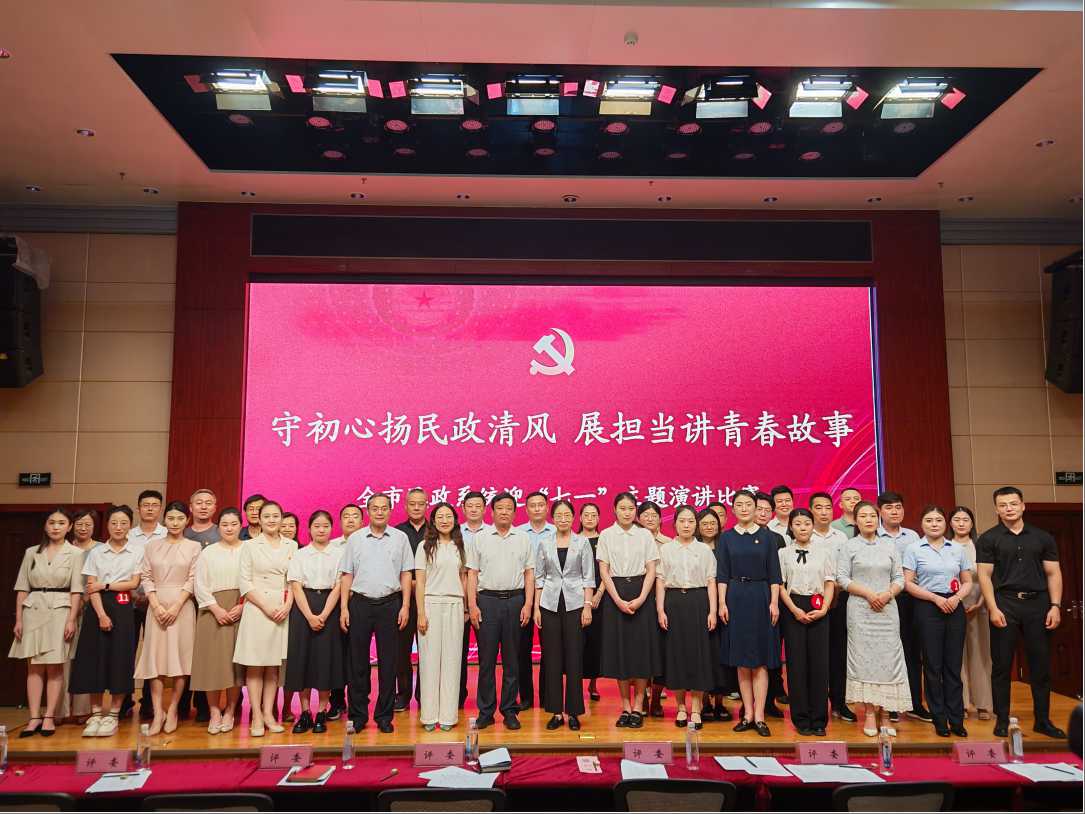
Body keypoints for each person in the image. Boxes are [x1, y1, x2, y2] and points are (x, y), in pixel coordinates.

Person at [976, 486, 1066, 739]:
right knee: (1002, 666)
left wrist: (1055, 606)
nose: (1009, 509)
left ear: (1023, 506)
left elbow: (1053, 573)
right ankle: (1002, 720)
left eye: (1013, 504)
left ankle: (1043, 721)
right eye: (1003, 505)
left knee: (1040, 666)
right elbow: (984, 576)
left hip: (1038, 605)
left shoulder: (1042, 537)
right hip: (1005, 604)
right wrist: (992, 608)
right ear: (996, 509)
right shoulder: (988, 539)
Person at [339, 493, 413, 734]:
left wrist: (405, 606)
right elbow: (347, 575)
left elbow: (406, 574)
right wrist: (343, 608)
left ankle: (384, 716)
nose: (379, 512)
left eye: (384, 508)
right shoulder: (355, 539)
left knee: (389, 663)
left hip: (390, 604)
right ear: (368, 512)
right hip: (359, 604)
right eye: (375, 508)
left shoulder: (400, 538)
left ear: (390, 511)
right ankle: (358, 715)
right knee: (357, 663)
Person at [837, 500, 911, 737]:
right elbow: (842, 578)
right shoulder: (849, 546)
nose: (868, 519)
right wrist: (868, 594)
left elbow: (899, 578)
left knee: (889, 660)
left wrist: (888, 594)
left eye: (872, 515)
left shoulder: (889, 546)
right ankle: (869, 712)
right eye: (863, 516)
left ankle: (886, 714)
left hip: (887, 610)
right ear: (856, 521)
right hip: (861, 610)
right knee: (864, 660)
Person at [10, 508, 84, 737]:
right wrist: (19, 619)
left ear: (69, 527)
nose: (56, 527)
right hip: (33, 609)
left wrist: (72, 619)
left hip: (60, 610)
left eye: (61, 523)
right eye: (52, 522)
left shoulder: (76, 553)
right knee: (33, 666)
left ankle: (50, 716)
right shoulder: (32, 552)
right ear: (45, 525)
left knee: (55, 666)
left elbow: (77, 590)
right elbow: (22, 587)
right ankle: (34, 717)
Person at [70, 505, 140, 738]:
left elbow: (133, 583)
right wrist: (101, 615)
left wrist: (106, 584)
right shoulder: (97, 552)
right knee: (95, 659)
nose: (118, 527)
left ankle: (113, 715)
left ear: (130, 525)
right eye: (114, 523)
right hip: (97, 606)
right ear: (107, 525)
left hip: (123, 605)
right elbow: (91, 586)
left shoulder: (137, 551)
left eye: (123, 523)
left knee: (121, 658)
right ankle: (96, 714)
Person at [717, 491, 783, 737]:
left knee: (761, 660)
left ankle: (760, 716)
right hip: (735, 597)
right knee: (742, 660)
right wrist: (722, 603)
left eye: (748, 504)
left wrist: (774, 602)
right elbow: (722, 574)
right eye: (739, 505)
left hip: (761, 597)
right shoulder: (727, 538)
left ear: (756, 508)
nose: (744, 508)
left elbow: (775, 574)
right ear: (733, 509)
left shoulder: (767, 537)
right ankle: (747, 715)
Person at [903, 505, 973, 738]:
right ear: (922, 524)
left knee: (953, 665)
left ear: (946, 524)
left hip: (954, 606)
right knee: (932, 666)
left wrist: (956, 598)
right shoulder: (914, 549)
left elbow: (967, 581)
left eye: (938, 520)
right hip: (927, 606)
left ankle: (956, 719)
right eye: (929, 520)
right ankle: (939, 718)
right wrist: (934, 598)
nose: (934, 524)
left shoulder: (957, 549)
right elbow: (908, 583)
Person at [466, 492, 534, 730]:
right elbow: (472, 573)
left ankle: (509, 710)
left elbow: (529, 573)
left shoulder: (523, 538)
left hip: (515, 600)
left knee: (512, 660)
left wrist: (528, 604)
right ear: (492, 512)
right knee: (486, 660)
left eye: (509, 508)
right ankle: (486, 711)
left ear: (515, 512)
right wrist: (472, 605)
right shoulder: (480, 538)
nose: (504, 512)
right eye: (500, 508)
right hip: (487, 601)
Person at [134, 501, 201, 735]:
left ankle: (172, 709)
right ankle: (157, 712)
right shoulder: (152, 546)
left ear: (187, 521)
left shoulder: (194, 547)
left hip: (182, 607)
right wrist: (155, 605)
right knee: (155, 661)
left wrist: (176, 606)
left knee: (181, 660)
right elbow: (146, 576)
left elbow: (193, 578)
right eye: (171, 518)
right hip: (156, 607)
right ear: (165, 520)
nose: (175, 523)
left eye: (180, 518)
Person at [598, 492, 661, 729]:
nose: (627, 512)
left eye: (631, 508)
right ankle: (625, 707)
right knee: (620, 653)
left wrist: (642, 597)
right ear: (614, 510)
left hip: (641, 591)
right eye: (622, 508)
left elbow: (651, 569)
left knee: (641, 652)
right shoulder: (606, 535)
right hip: (615, 593)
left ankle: (638, 706)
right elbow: (604, 571)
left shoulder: (644, 535)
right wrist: (617, 599)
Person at [234, 500, 296, 736]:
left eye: (275, 516)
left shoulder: (291, 545)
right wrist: (266, 607)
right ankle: (256, 716)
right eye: (267, 516)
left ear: (282, 519)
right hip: (257, 608)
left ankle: (269, 713)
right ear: (259, 519)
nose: (271, 520)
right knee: (255, 665)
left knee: (273, 666)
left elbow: (294, 580)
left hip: (282, 609)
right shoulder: (249, 546)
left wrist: (287, 605)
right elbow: (244, 582)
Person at [534, 499, 594, 731]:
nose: (563, 519)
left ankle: (574, 712)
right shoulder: (544, 543)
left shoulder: (582, 542)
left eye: (567, 515)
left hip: (575, 604)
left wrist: (587, 606)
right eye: (558, 515)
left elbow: (588, 577)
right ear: (553, 518)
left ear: (573, 518)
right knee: (552, 659)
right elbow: (539, 577)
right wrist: (537, 607)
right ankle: (556, 712)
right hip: (549, 604)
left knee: (574, 658)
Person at [656, 505, 717, 730]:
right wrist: (660, 610)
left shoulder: (704, 550)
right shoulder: (666, 549)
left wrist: (712, 611)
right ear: (675, 524)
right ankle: (681, 707)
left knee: (698, 655)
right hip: (673, 602)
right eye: (682, 521)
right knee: (677, 655)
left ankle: (697, 708)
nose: (686, 525)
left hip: (698, 602)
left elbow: (711, 581)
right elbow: (660, 581)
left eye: (691, 521)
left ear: (696, 524)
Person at [285, 509, 344, 735]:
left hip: (330, 606)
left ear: (331, 528)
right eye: (317, 526)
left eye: (325, 526)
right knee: (304, 660)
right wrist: (310, 616)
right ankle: (305, 712)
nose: (321, 530)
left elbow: (339, 586)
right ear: (309, 529)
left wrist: (325, 614)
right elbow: (296, 585)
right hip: (303, 609)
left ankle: (321, 712)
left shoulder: (339, 554)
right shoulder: (300, 554)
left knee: (325, 662)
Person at [778, 508, 835, 737]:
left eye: (807, 523)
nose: (803, 528)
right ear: (791, 527)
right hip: (793, 607)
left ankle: (819, 719)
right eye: (798, 524)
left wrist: (824, 608)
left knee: (820, 665)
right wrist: (794, 609)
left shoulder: (824, 552)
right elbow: (780, 585)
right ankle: (801, 718)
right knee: (796, 665)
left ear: (813, 526)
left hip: (819, 605)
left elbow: (829, 582)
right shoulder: (783, 553)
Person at [190, 508, 245, 735]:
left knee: (235, 665)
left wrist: (243, 605)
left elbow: (254, 580)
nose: (229, 528)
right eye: (224, 524)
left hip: (241, 608)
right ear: (218, 527)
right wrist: (215, 608)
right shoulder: (208, 552)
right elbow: (199, 584)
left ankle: (230, 710)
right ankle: (214, 712)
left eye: (233, 524)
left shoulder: (248, 550)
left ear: (240, 526)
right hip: (211, 610)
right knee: (211, 663)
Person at [877, 491, 930, 724]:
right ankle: (889, 705)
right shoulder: (873, 535)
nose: (894, 511)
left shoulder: (913, 536)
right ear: (880, 511)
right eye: (889, 507)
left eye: (898, 507)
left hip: (909, 599)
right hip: (883, 600)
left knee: (912, 652)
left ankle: (915, 704)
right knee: (887, 653)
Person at [416, 503, 468, 731]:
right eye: (440, 517)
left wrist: (465, 608)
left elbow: (464, 578)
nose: (444, 520)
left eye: (448, 516)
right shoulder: (424, 547)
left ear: (455, 520)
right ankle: (429, 716)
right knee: (429, 661)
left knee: (452, 660)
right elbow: (420, 582)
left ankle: (448, 716)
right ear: (433, 521)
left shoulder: (461, 546)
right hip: (430, 604)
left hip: (455, 604)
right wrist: (421, 613)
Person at [124, 489, 165, 721]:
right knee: (126, 651)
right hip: (128, 602)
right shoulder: (128, 535)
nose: (150, 508)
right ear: (138, 508)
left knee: (153, 653)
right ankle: (124, 700)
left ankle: (149, 702)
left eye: (154, 505)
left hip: (157, 604)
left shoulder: (167, 533)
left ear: (160, 508)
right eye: (145, 505)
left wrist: (152, 595)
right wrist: (131, 592)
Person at [952, 506, 992, 721]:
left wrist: (981, 602)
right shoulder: (946, 545)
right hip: (952, 606)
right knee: (956, 657)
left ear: (972, 523)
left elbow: (990, 577)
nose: (961, 523)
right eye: (956, 519)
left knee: (980, 655)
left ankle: (983, 704)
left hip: (979, 605)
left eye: (965, 519)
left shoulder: (981, 545)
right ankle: (962, 703)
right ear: (950, 523)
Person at [518, 491, 555, 711]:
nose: (537, 508)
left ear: (547, 507)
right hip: (521, 594)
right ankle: (526, 697)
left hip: (549, 594)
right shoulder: (519, 533)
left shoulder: (556, 532)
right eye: (533, 505)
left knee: (549, 647)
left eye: (541, 504)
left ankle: (548, 695)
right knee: (521, 648)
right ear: (526, 509)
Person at [696, 508, 733, 722]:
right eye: (705, 523)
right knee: (704, 653)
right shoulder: (693, 546)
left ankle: (720, 701)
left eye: (713, 523)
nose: (709, 527)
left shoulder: (726, 544)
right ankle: (704, 702)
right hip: (701, 604)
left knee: (722, 654)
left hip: (725, 604)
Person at [326, 503, 363, 720]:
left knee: (357, 655)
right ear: (340, 522)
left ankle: (358, 701)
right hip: (334, 605)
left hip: (360, 603)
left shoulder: (368, 543)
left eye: (355, 516)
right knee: (336, 654)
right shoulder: (331, 546)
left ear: (362, 521)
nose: (350, 519)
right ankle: (337, 700)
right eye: (346, 516)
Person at [394, 488, 428, 712]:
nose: (416, 507)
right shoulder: (397, 533)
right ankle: (403, 695)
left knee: (427, 649)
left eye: (420, 504)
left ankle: (425, 695)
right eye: (412, 504)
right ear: (405, 506)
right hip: (402, 600)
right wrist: (411, 584)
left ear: (427, 505)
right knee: (401, 650)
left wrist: (421, 584)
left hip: (428, 599)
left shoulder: (435, 531)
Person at [754, 492, 788, 716]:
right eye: (760, 509)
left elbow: (779, 573)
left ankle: (770, 700)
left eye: (768, 510)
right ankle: (751, 704)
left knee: (772, 650)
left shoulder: (777, 539)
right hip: (750, 597)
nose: (763, 513)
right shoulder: (737, 537)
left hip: (774, 598)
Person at [65, 509, 100, 723]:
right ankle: (60, 709)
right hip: (64, 607)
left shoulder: (100, 549)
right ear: (72, 526)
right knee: (63, 658)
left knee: (85, 657)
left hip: (90, 607)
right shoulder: (64, 548)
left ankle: (82, 709)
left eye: (88, 524)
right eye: (79, 524)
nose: (83, 528)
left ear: (94, 526)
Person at [638, 500, 670, 717]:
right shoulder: (633, 541)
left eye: (654, 515)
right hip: (639, 600)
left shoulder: (668, 544)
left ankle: (656, 697)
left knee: (662, 651)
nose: (650, 518)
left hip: (664, 601)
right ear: (639, 518)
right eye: (645, 515)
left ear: (660, 518)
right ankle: (642, 696)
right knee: (642, 651)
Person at [458, 492, 490, 709]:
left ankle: (485, 700)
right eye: (470, 505)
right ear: (463, 508)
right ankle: (457, 696)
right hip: (457, 598)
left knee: (486, 652)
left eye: (478, 506)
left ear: (485, 509)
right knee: (457, 652)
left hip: (484, 599)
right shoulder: (454, 532)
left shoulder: (491, 533)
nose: (474, 509)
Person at [578, 502, 605, 702]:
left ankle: (593, 684)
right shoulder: (574, 540)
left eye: (593, 515)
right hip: (576, 598)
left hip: (600, 598)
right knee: (577, 643)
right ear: (579, 518)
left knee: (596, 642)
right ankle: (576, 684)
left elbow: (608, 570)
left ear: (598, 518)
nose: (589, 518)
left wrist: (598, 594)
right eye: (586, 515)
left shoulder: (604, 540)